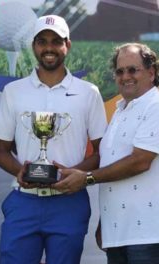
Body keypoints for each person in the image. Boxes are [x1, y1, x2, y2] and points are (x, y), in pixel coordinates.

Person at [0, 15, 108, 264]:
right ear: (34, 46)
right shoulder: (13, 92)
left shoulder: (88, 93)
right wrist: (21, 171)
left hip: (69, 201)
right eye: (42, 41)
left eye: (56, 41)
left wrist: (73, 173)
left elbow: (102, 152)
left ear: (67, 45)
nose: (49, 48)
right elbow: (1, 150)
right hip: (24, 201)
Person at [60, 43, 159, 263]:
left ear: (151, 73)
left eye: (133, 69)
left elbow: (140, 162)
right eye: (120, 71)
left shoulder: (155, 105)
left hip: (150, 236)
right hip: (118, 234)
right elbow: (111, 163)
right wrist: (105, 223)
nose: (126, 76)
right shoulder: (120, 110)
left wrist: (86, 178)